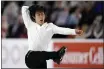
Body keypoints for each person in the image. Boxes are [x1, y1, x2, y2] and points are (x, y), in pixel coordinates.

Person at [21, 5, 83, 69]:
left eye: (42, 14)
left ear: (45, 16)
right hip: (30, 57)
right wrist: (33, 7)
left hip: (42, 59)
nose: (41, 16)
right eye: (38, 15)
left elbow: (62, 30)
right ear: (34, 16)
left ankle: (56, 56)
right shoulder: (30, 24)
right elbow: (24, 8)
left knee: (42, 56)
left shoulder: (50, 27)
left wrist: (74, 31)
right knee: (39, 55)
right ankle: (56, 55)